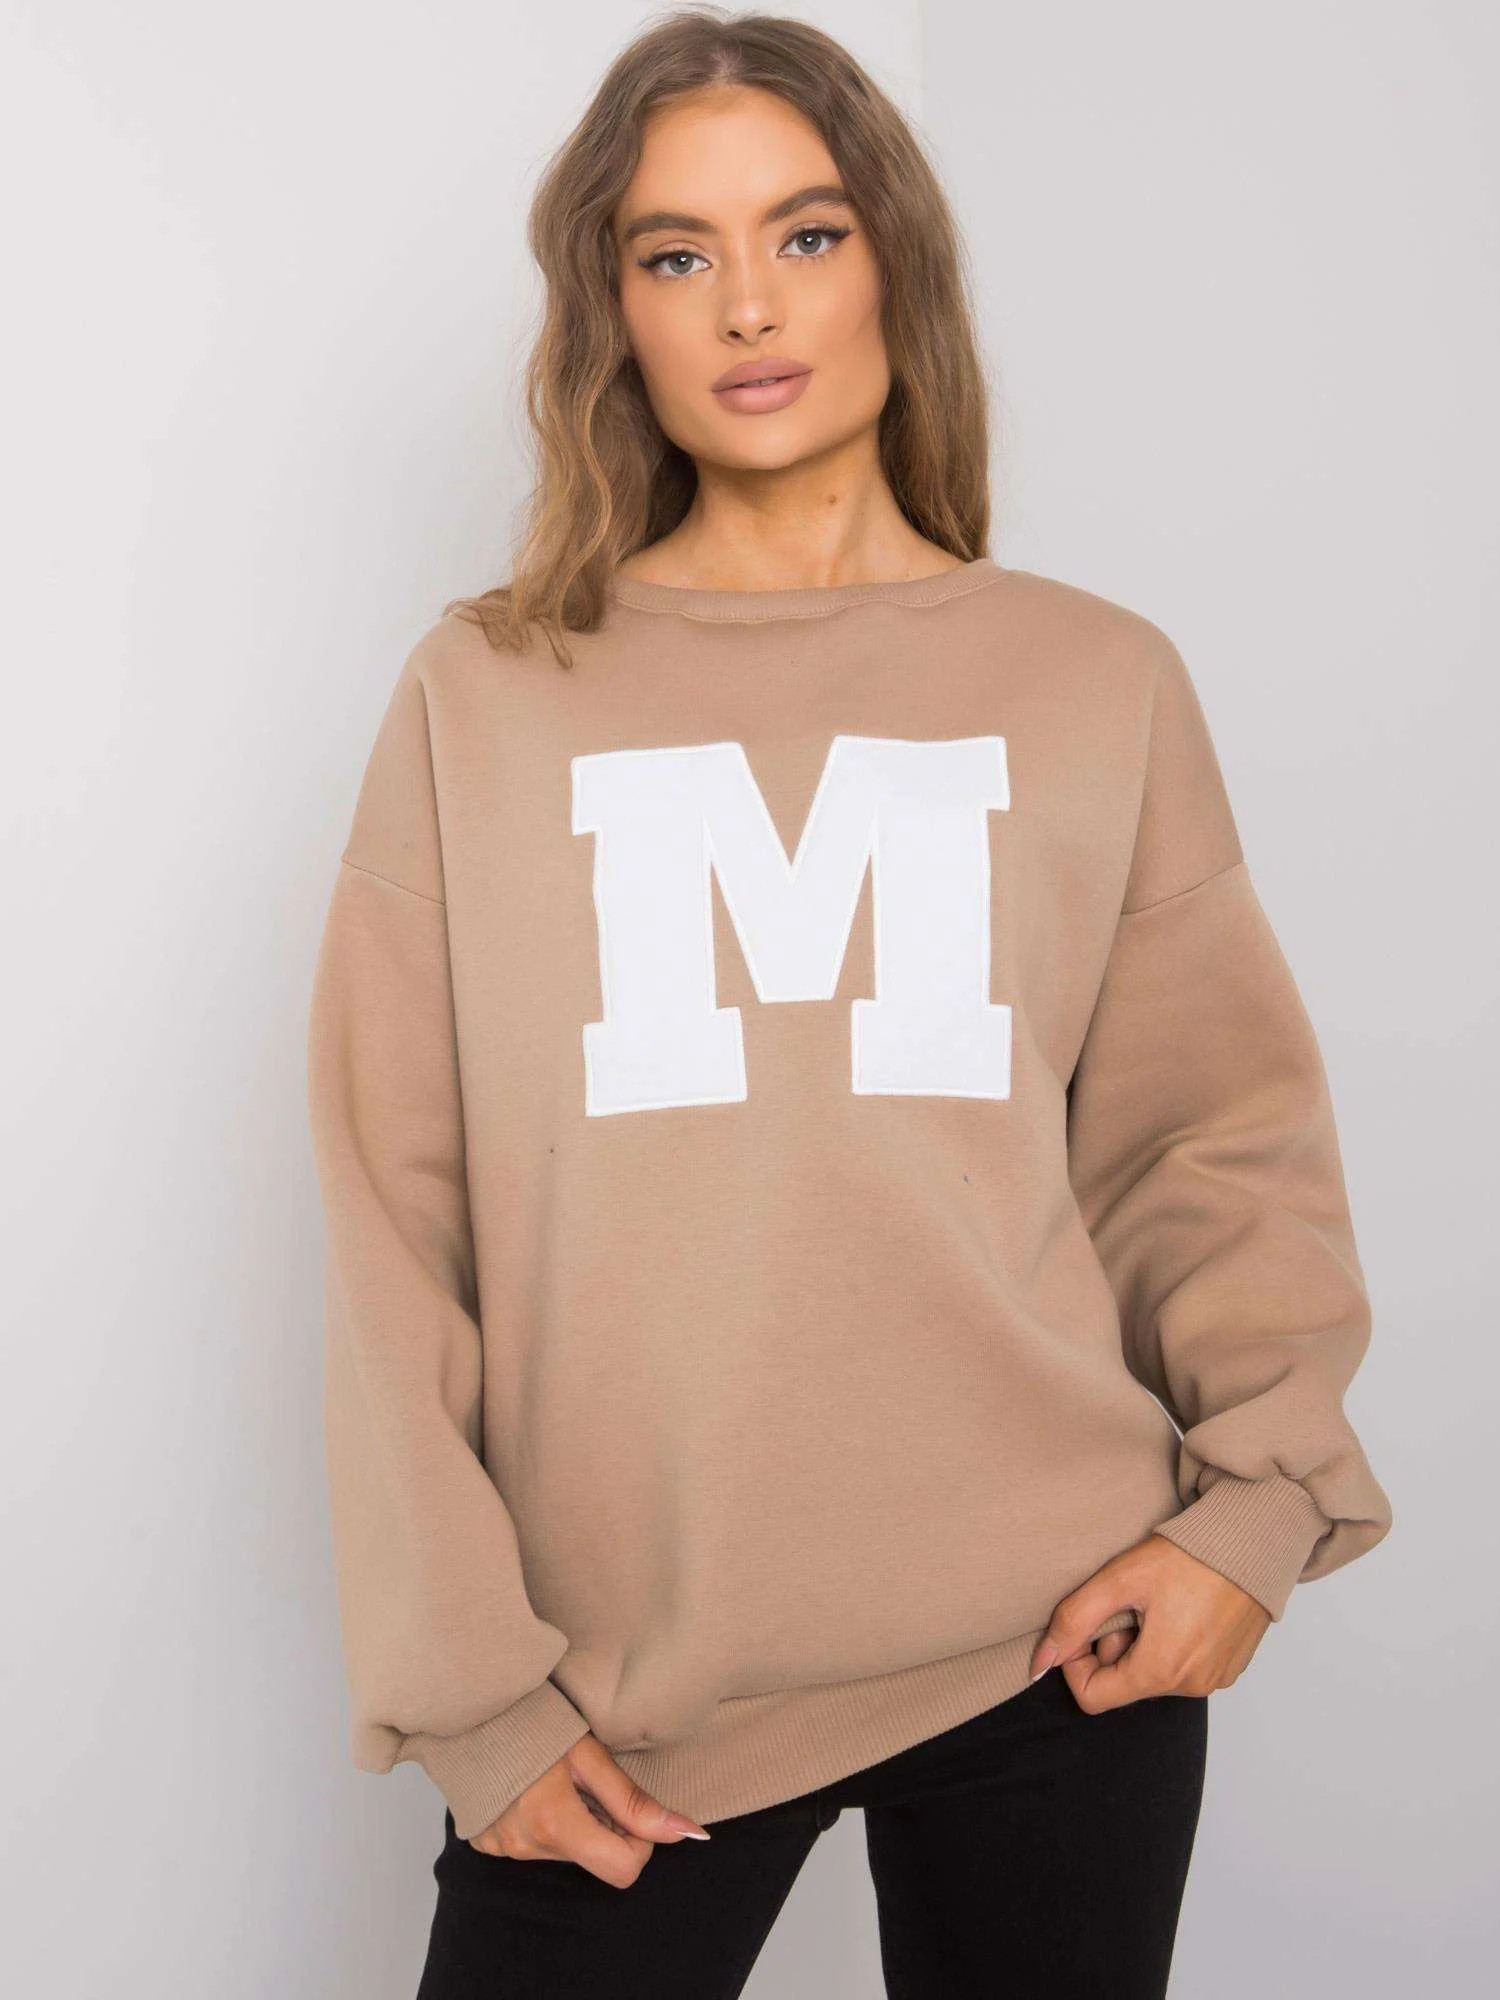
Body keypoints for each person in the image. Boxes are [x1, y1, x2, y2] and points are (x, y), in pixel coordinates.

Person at [304, 11, 1393, 1996]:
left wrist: (1250, 1515)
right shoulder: (489, 692)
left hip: (1062, 1644)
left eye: (805, 233)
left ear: (897, 257)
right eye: (676, 251)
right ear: (613, 311)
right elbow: (398, 1215)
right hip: (622, 1699)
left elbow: (1205, 1145)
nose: (748, 303)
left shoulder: (1093, 681)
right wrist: (473, 1693)